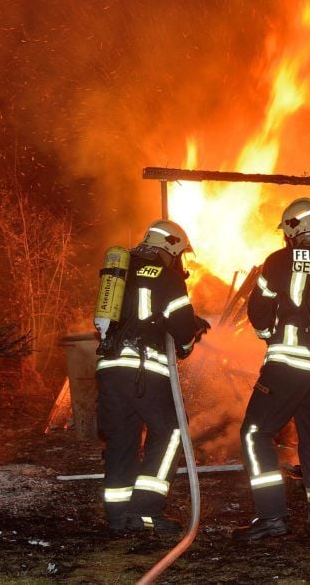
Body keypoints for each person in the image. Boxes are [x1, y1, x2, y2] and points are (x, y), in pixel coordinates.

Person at [233, 197, 310, 543]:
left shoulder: (278, 260)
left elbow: (259, 311)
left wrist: (267, 335)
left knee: (255, 433)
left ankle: (271, 516)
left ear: (291, 229)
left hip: (287, 365)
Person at [95, 219, 209, 536]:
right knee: (172, 431)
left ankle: (117, 516)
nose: (179, 261)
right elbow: (182, 330)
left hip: (110, 369)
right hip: (144, 370)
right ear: (172, 247)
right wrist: (192, 334)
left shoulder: (120, 270)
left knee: (121, 439)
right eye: (179, 254)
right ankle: (146, 509)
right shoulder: (168, 276)